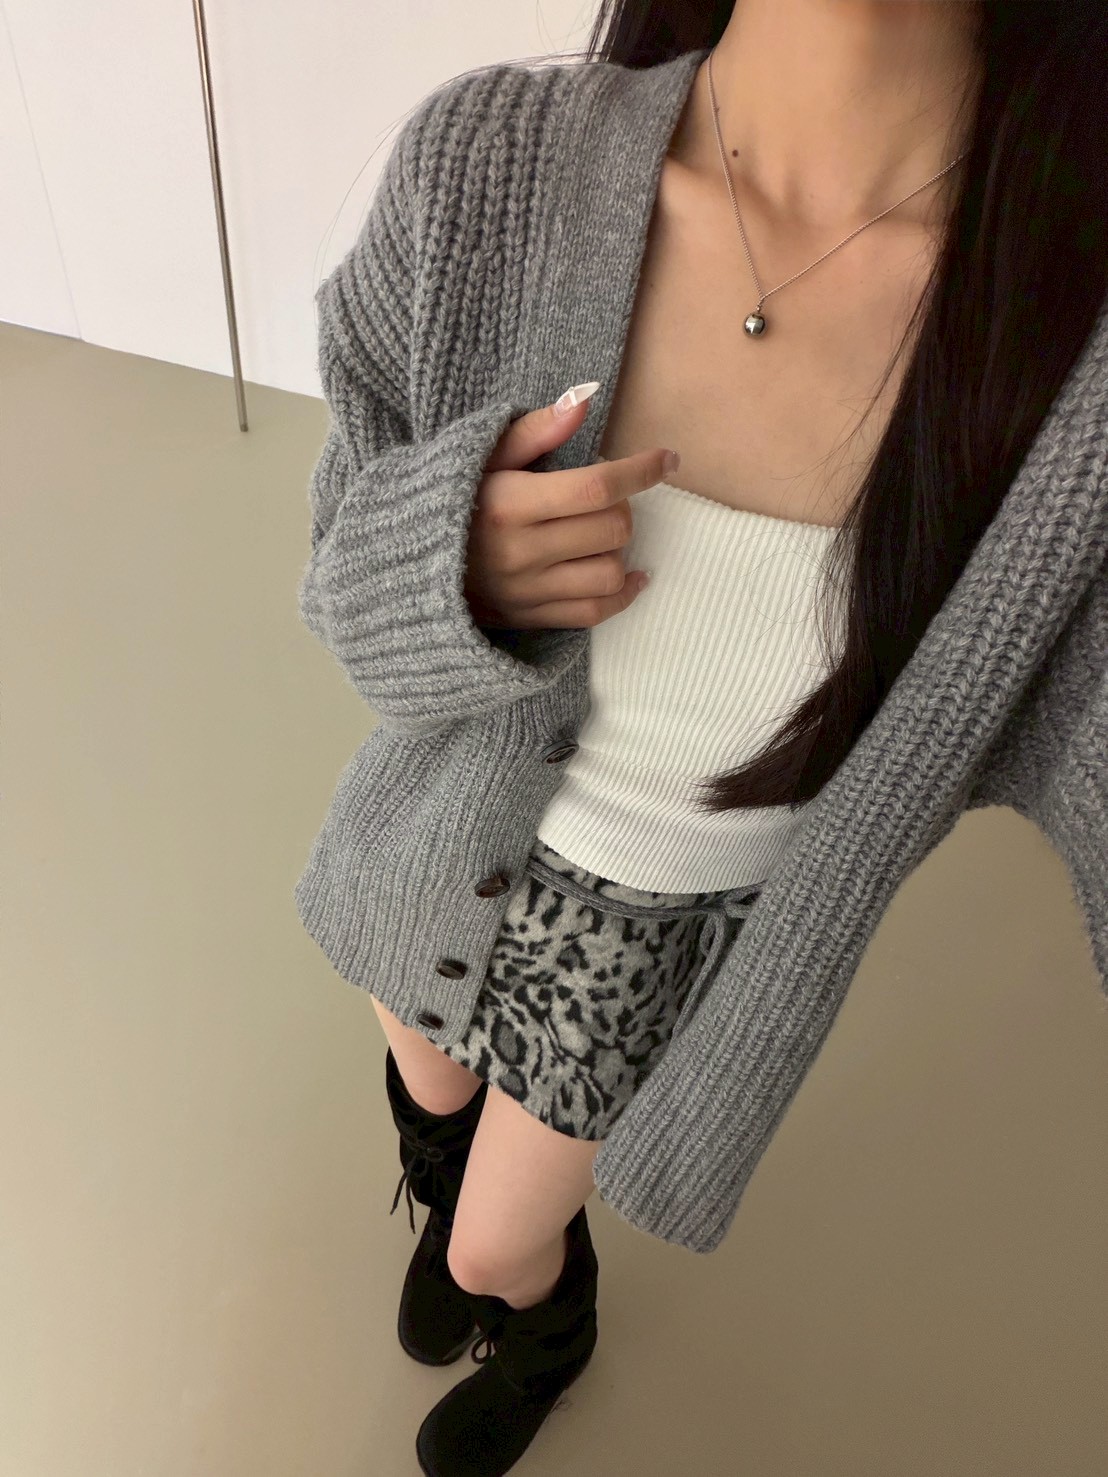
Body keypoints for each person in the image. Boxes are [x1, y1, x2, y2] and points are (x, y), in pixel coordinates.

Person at [295, 5, 1108, 1475]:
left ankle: (543, 1329)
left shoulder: (1071, 367)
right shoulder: (489, 162)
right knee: (424, 1072)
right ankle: (439, 1172)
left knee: (497, 1241)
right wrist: (449, 563)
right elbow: (336, 564)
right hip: (436, 820)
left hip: (648, 926)